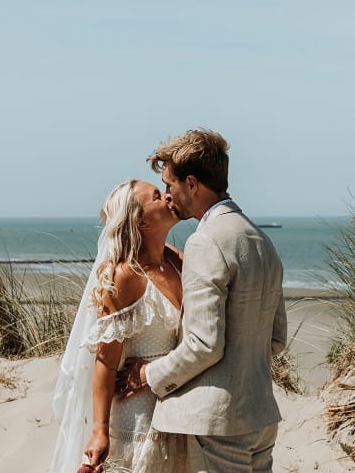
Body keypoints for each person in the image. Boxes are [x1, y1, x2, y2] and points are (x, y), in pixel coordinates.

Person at [117, 129, 287, 472]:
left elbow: (204, 345)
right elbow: (276, 339)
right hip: (261, 417)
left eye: (169, 185)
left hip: (218, 423)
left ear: (191, 184)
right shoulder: (260, 240)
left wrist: (148, 374)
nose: (168, 195)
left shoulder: (206, 241)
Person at [50, 179, 185, 473]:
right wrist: (100, 430)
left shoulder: (177, 261)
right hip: (136, 414)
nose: (169, 198)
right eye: (157, 196)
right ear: (141, 222)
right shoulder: (125, 276)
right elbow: (106, 361)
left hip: (175, 405)